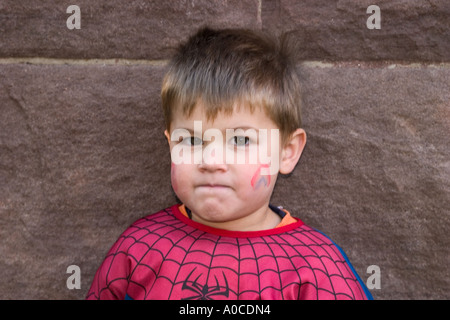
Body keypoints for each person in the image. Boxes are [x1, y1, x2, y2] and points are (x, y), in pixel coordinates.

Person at [86, 27, 373, 300]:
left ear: (287, 152)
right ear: (171, 144)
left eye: (240, 141)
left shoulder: (317, 268)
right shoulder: (137, 249)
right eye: (193, 141)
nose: (211, 162)